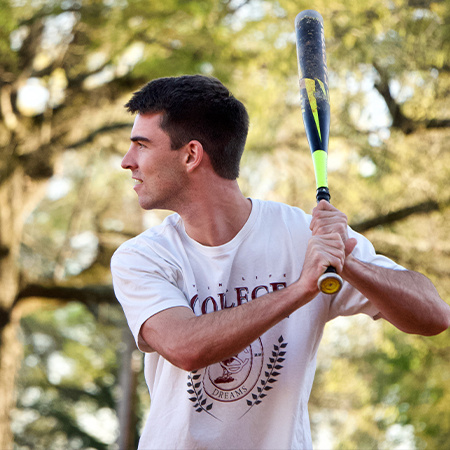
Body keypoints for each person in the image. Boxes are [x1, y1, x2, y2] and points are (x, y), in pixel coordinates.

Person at [111, 74, 450, 449]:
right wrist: (301, 289)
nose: (127, 162)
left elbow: (435, 315)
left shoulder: (302, 235)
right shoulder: (142, 257)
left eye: (141, 145)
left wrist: (348, 263)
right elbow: (185, 347)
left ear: (191, 155)